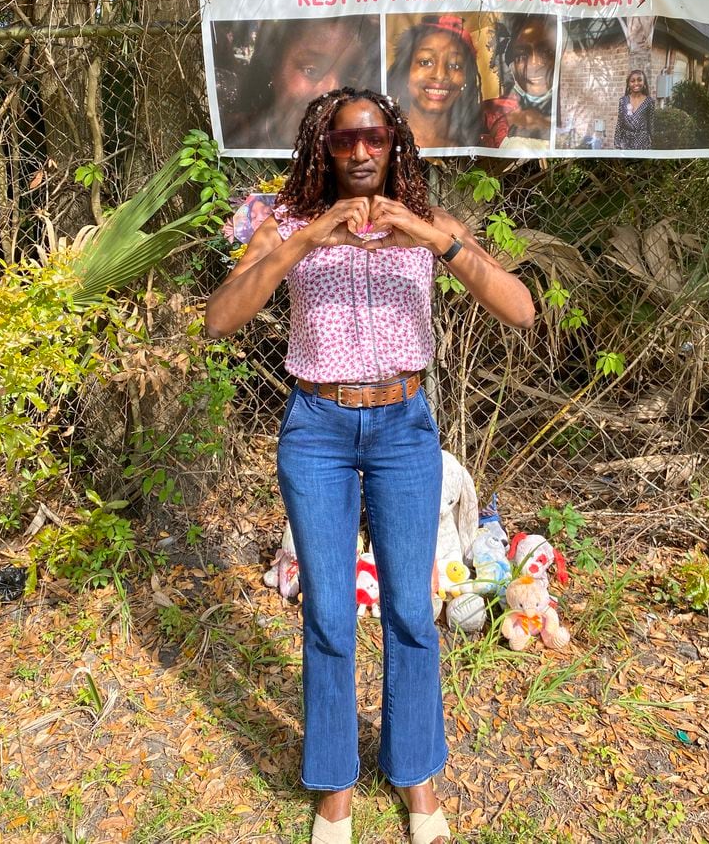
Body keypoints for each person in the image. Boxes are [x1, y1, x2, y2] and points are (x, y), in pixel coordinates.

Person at [205, 87, 535, 844]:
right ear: (323, 146)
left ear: (394, 144)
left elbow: (518, 307)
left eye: (374, 136)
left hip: (402, 427)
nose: (359, 149)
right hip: (316, 427)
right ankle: (333, 788)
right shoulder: (284, 221)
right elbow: (220, 318)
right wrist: (304, 241)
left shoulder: (427, 225)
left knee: (411, 612)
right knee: (326, 613)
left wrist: (425, 234)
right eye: (344, 137)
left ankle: (415, 772)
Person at [221, 17, 380, 150]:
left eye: (349, 78)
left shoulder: (365, 150)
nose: (332, 89)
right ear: (274, 67)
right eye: (311, 71)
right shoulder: (237, 137)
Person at [387, 14, 483, 148]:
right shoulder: (384, 142)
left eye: (454, 65)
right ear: (405, 73)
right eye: (425, 62)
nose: (440, 75)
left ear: (466, 79)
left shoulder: (474, 148)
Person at [483, 14, 557, 150]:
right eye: (522, 54)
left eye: (546, 52)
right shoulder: (490, 113)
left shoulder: (575, 111)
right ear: (511, 63)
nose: (534, 63)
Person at [614, 69, 655, 150]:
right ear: (628, 84)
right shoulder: (623, 100)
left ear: (644, 82)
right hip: (625, 143)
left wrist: (653, 144)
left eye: (639, 80)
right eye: (632, 81)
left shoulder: (649, 101)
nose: (636, 83)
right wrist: (617, 143)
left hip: (642, 144)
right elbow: (619, 123)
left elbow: (651, 124)